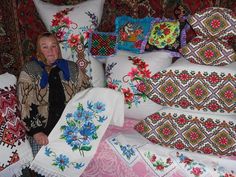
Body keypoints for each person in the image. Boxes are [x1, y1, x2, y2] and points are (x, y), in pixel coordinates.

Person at [17, 32, 90, 176]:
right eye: (45, 47)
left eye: (53, 46)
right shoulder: (30, 70)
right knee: (45, 164)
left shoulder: (72, 68)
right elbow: (24, 103)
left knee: (82, 161)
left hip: (71, 129)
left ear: (59, 48)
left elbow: (87, 94)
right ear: (38, 50)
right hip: (43, 130)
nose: (50, 51)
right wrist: (36, 132)